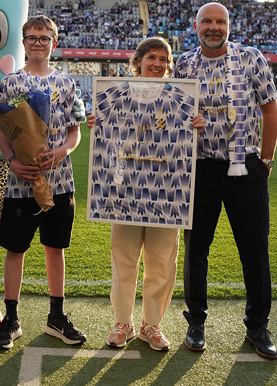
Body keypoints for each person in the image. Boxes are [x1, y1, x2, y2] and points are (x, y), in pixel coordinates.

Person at [172, 2, 277, 360]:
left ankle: (257, 326)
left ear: (229, 26)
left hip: (245, 166)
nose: (213, 27)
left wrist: (265, 160)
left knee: (254, 249)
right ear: (195, 26)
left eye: (220, 21)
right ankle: (196, 322)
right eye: (207, 22)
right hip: (200, 167)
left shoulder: (251, 58)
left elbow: (269, 108)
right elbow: (170, 111)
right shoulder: (185, 63)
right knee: (196, 248)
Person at [86, 37, 206, 352]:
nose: (157, 64)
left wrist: (196, 124)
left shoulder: (181, 99)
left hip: (166, 195)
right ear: (138, 60)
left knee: (162, 264)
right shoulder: (116, 95)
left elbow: (185, 144)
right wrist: (98, 123)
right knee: (123, 261)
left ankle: (151, 325)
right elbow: (109, 142)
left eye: (163, 59)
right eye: (152, 57)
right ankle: (122, 323)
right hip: (124, 192)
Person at [0, 15, 85, 350]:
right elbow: (2, 132)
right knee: (15, 250)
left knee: (55, 248)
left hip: (59, 182)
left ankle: (56, 317)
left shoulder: (69, 83)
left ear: (54, 43)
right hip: (19, 184)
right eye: (32, 38)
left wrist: (60, 151)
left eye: (44, 38)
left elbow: (75, 132)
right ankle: (11, 317)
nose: (37, 44)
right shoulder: (10, 83)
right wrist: (12, 162)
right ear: (23, 42)